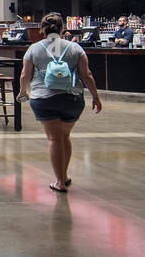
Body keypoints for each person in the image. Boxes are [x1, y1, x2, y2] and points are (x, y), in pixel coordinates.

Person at [18, 12, 102, 193]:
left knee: (54, 139)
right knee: (64, 136)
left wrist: (22, 91)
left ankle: (60, 182)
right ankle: (64, 175)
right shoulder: (75, 48)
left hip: (43, 99)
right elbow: (86, 75)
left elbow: (25, 75)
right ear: (63, 29)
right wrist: (95, 96)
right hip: (71, 98)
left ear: (42, 30)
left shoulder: (34, 49)